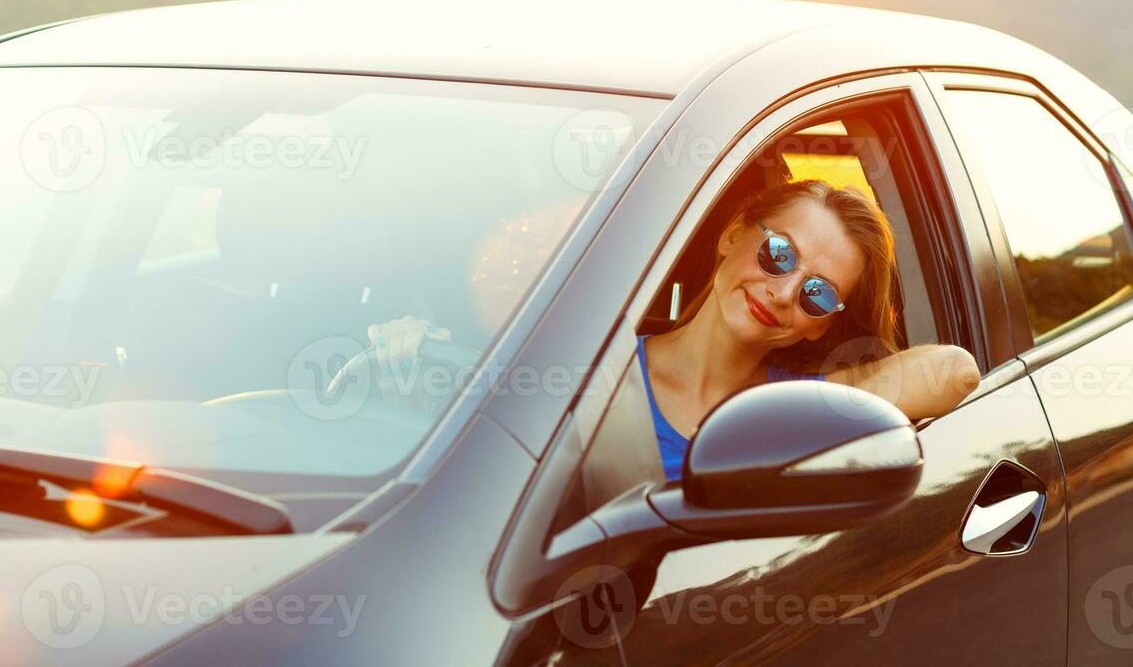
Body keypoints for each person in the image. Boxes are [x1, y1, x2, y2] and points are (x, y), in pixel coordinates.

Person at [369, 178, 981, 481]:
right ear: (732, 236)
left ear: (820, 327)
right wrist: (405, 362)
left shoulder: (805, 409)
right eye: (778, 254)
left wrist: (799, 413)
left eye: (819, 295)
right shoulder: (584, 370)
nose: (786, 291)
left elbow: (954, 370)